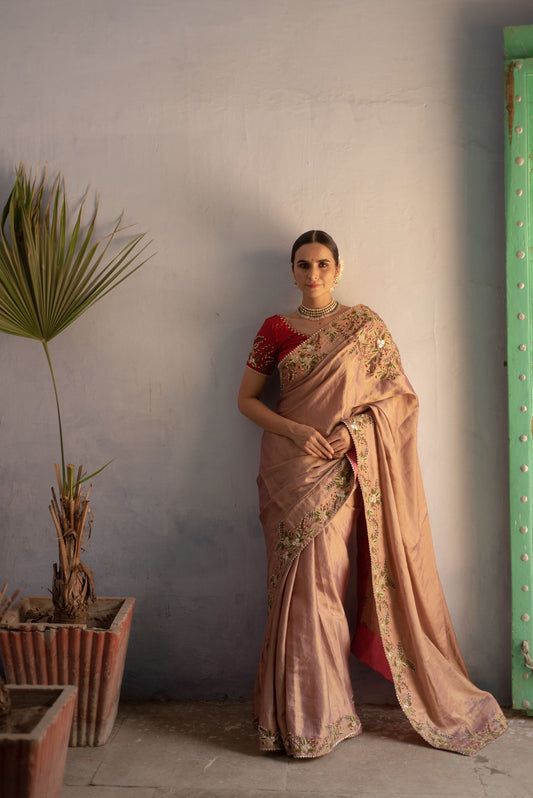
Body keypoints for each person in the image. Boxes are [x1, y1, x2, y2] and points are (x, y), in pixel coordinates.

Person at [238, 230, 507, 759]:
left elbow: (399, 400)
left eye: (321, 264)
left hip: (340, 471)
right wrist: (294, 431)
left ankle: (326, 712)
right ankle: (291, 718)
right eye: (302, 265)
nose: (312, 275)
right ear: (291, 271)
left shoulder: (365, 326)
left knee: (324, 590)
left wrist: (355, 431)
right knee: (293, 594)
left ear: (338, 268)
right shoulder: (274, 329)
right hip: (291, 471)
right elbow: (247, 401)